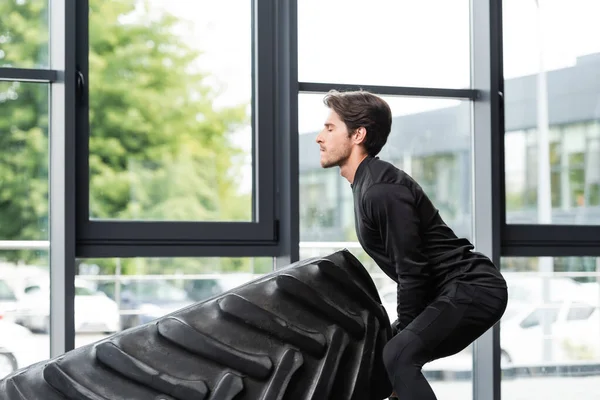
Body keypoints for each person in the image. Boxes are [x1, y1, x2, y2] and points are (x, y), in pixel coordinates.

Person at [315, 90, 508, 400]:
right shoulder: (366, 184)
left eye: (330, 128)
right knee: (380, 355)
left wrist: (402, 336)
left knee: (397, 355)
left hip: (473, 289)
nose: (319, 137)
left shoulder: (380, 190)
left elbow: (412, 271)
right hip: (447, 290)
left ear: (358, 135)